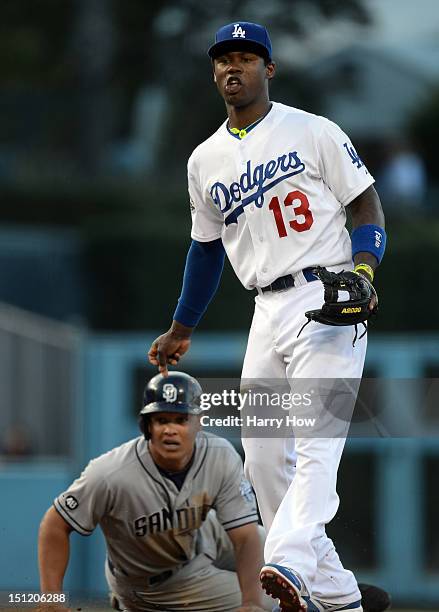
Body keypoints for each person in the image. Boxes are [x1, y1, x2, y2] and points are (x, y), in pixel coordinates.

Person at [148, 21, 387, 612]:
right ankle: (339, 594)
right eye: (224, 59)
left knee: (317, 447)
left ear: (269, 69)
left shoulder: (311, 130)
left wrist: (364, 271)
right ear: (214, 73)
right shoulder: (204, 159)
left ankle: (285, 566)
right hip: (266, 308)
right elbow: (205, 249)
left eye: (248, 58)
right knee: (260, 453)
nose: (235, 67)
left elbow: (365, 203)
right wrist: (183, 326)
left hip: (326, 297)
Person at [38, 371, 271, 612]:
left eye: (180, 420)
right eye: (161, 420)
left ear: (199, 421)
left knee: (275, 551)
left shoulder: (219, 454)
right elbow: (54, 524)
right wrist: (51, 599)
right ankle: (132, 604)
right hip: (158, 583)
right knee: (271, 602)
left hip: (201, 535)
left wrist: (250, 602)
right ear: (147, 425)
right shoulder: (110, 472)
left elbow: (244, 536)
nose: (170, 429)